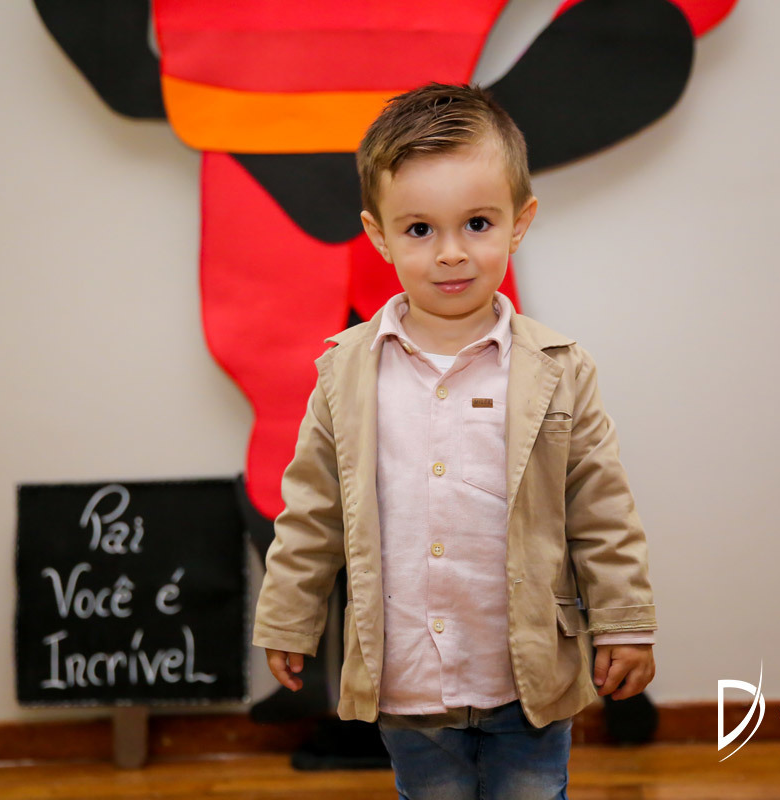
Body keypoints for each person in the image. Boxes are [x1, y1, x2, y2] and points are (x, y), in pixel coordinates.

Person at [252, 82, 657, 800]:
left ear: (519, 223)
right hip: (409, 682)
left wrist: (624, 623)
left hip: (527, 677)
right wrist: (289, 617)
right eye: (419, 230)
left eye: (476, 223)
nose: (450, 254)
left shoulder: (559, 370)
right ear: (378, 234)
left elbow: (601, 510)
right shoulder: (346, 372)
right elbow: (312, 511)